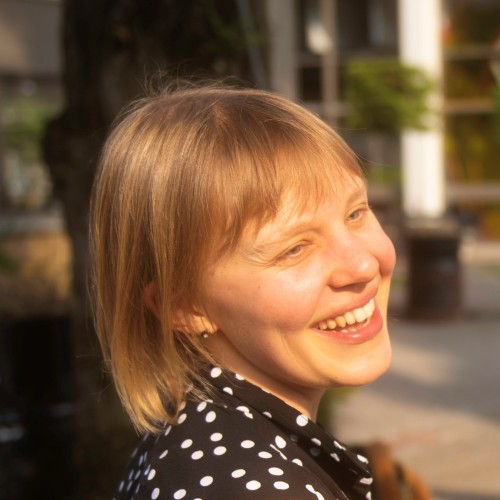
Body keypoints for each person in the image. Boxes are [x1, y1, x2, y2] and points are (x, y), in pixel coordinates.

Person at [90, 83, 396, 500]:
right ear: (184, 305)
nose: (362, 266)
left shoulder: (191, 439)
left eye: (356, 213)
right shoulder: (254, 487)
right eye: (294, 249)